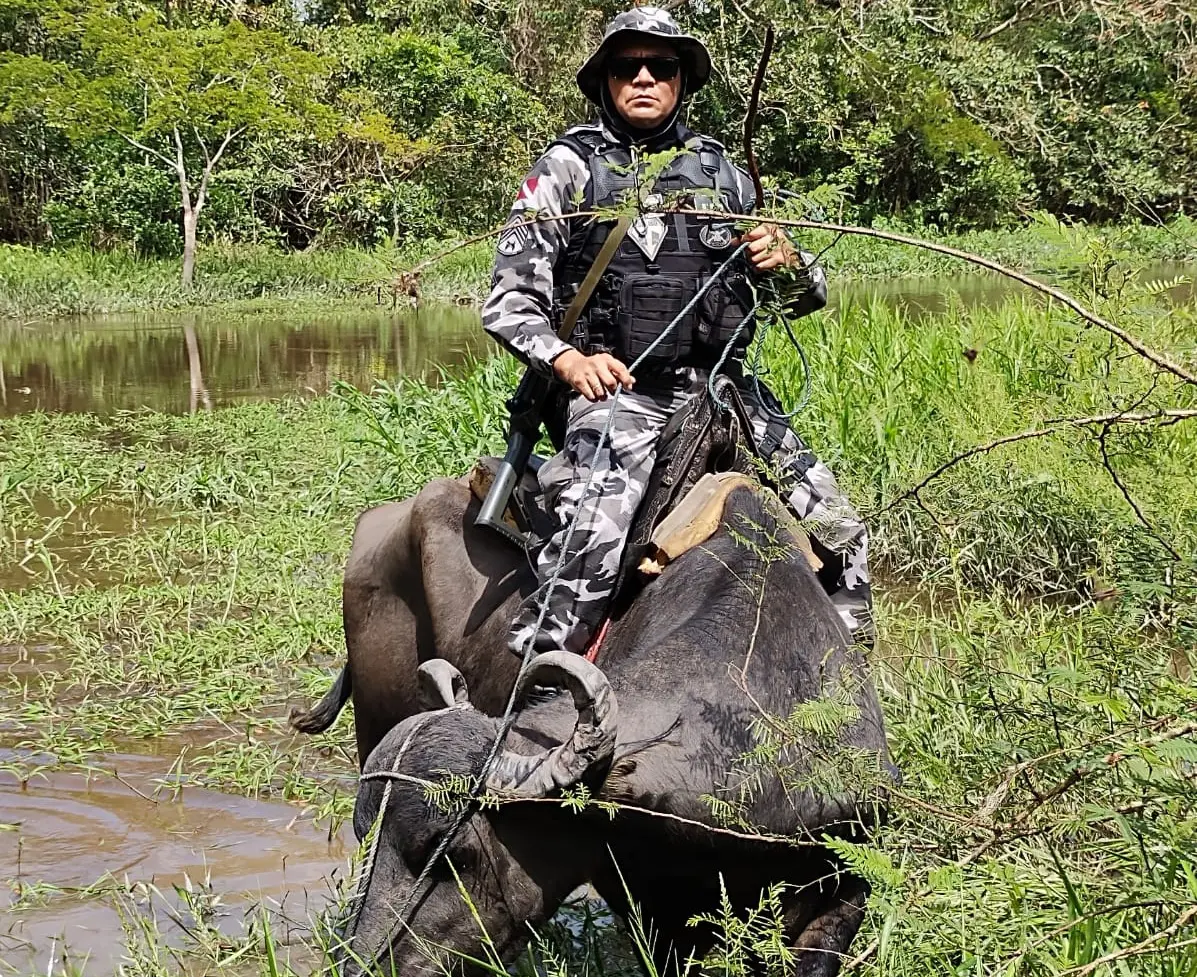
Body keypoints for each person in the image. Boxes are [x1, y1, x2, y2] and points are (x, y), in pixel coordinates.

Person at [481, 6, 872, 659]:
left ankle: (846, 677)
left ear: (681, 79)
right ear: (604, 79)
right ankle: (534, 685)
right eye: (626, 66)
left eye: (660, 66)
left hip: (723, 394)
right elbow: (508, 303)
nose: (643, 78)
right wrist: (570, 362)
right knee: (589, 555)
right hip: (618, 394)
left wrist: (788, 262)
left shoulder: (724, 174)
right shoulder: (566, 169)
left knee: (844, 532)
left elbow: (803, 297)